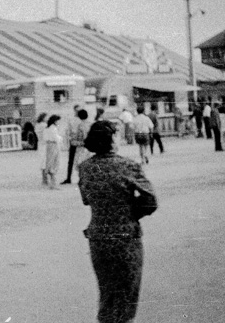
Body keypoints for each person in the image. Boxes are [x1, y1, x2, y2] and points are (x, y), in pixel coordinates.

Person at [78, 120, 158, 323]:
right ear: (111, 140)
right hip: (125, 239)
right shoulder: (128, 165)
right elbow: (150, 201)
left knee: (107, 295)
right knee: (126, 298)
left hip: (99, 239)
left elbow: (86, 199)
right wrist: (130, 213)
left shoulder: (85, 168)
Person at [62, 105, 81, 185]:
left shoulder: (82, 120)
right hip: (73, 141)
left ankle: (81, 178)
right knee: (71, 161)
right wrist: (69, 139)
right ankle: (68, 178)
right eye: (76, 110)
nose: (77, 112)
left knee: (80, 160)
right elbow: (68, 130)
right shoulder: (71, 119)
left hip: (80, 142)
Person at [43, 114, 62, 190]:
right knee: (54, 162)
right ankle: (54, 183)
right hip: (54, 145)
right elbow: (56, 138)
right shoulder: (53, 128)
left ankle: (52, 183)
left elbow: (45, 138)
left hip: (49, 146)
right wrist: (61, 138)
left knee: (50, 162)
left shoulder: (47, 128)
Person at [35, 113, 48, 186]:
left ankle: (44, 179)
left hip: (40, 144)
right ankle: (45, 179)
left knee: (42, 162)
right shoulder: (44, 125)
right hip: (45, 144)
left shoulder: (37, 125)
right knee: (45, 162)